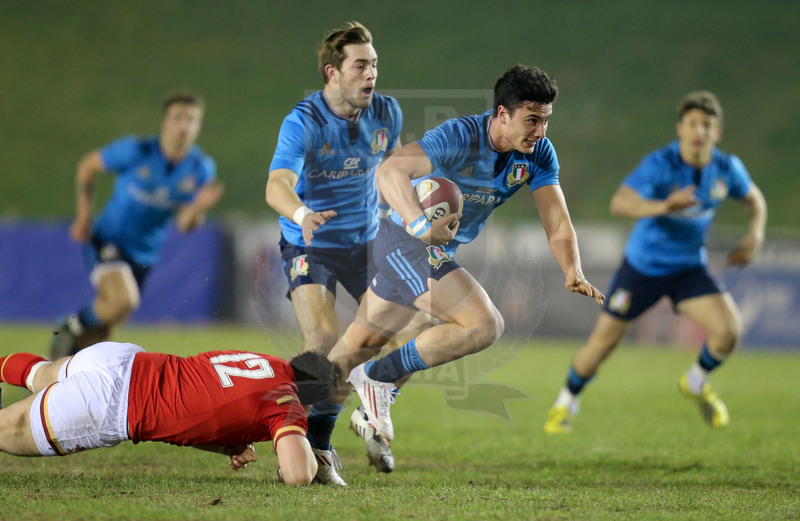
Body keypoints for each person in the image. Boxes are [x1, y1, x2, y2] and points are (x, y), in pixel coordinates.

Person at [303, 64, 605, 483]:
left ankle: (312, 445)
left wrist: (572, 269)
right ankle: (376, 381)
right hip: (405, 241)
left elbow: (557, 221)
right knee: (483, 324)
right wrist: (420, 225)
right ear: (502, 114)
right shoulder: (461, 136)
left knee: (360, 343)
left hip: (428, 249)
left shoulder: (537, 154)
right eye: (532, 120)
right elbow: (389, 172)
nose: (540, 131)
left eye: (546, 121)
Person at [543, 91, 767, 434]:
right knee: (602, 346)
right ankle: (564, 404)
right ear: (681, 129)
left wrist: (755, 236)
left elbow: (755, 200)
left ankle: (695, 383)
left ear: (717, 133)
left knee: (729, 332)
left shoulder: (726, 168)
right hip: (642, 269)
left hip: (688, 269)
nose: (699, 131)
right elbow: (620, 203)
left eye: (707, 125)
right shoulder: (661, 164)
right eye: (693, 123)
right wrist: (663, 206)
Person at [265, 21, 429, 481]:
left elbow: (397, 169)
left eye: (374, 65)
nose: (370, 74)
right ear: (332, 72)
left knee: (419, 323)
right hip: (310, 242)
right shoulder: (304, 122)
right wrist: (302, 214)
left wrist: (421, 206)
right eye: (360, 66)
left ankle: (372, 405)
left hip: (367, 243)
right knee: (322, 343)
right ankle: (300, 443)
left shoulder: (386, 113)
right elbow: (276, 185)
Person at [0, 342, 339, 486]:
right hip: (115, 404)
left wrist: (224, 443)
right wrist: (313, 457)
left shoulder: (268, 362)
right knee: (4, 431)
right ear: (308, 399)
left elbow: (197, 400)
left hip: (121, 358)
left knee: (39, 373)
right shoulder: (286, 400)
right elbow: (297, 474)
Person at [49, 90, 224, 360]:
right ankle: (69, 325)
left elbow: (184, 225)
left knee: (109, 321)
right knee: (123, 300)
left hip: (144, 254)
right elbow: (87, 166)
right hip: (109, 238)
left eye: (191, 119)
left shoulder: (201, 169)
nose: (184, 125)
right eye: (178, 118)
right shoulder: (136, 151)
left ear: (198, 126)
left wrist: (198, 208)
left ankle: (71, 365)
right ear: (165, 122)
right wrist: (84, 215)